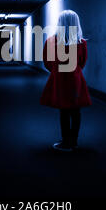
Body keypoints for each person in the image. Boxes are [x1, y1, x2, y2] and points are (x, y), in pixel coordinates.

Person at [40, 10, 92, 151]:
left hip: (59, 80)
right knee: (76, 112)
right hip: (76, 79)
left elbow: (47, 62)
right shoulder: (81, 43)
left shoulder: (51, 41)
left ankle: (65, 141)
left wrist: (57, 71)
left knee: (63, 111)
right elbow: (82, 62)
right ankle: (74, 142)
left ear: (60, 23)